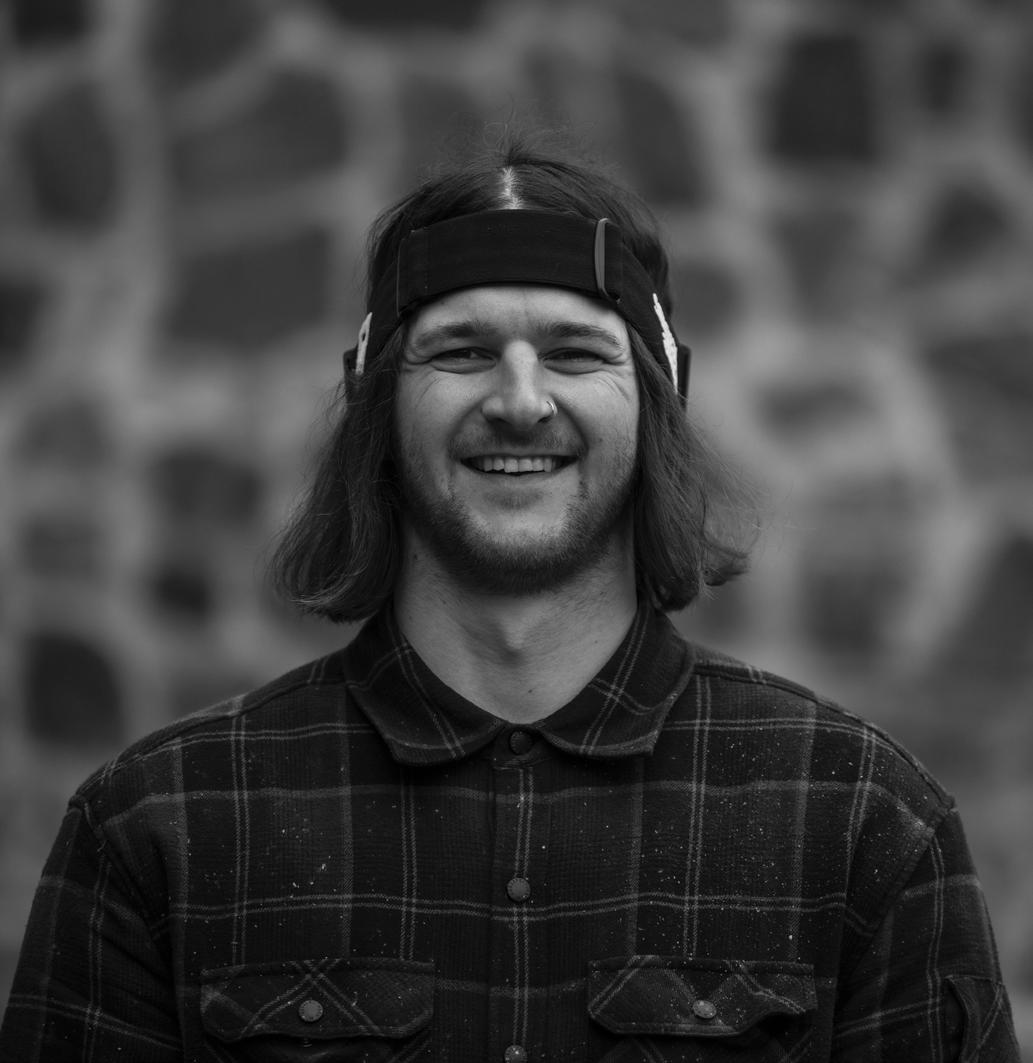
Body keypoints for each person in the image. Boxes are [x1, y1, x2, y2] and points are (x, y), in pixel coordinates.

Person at [0, 136, 1019, 1062]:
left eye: (574, 352)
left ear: (655, 401)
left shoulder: (859, 818)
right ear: (378, 399)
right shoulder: (162, 826)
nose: (521, 400)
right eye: (462, 350)